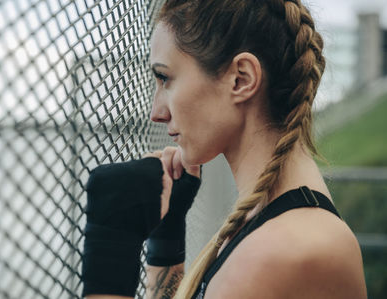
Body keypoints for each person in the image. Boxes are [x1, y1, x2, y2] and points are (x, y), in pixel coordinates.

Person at [81, 0, 367, 298]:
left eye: (165, 78)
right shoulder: (276, 222)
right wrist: (166, 244)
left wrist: (110, 251)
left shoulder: (283, 249)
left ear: (241, 78)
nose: (157, 112)